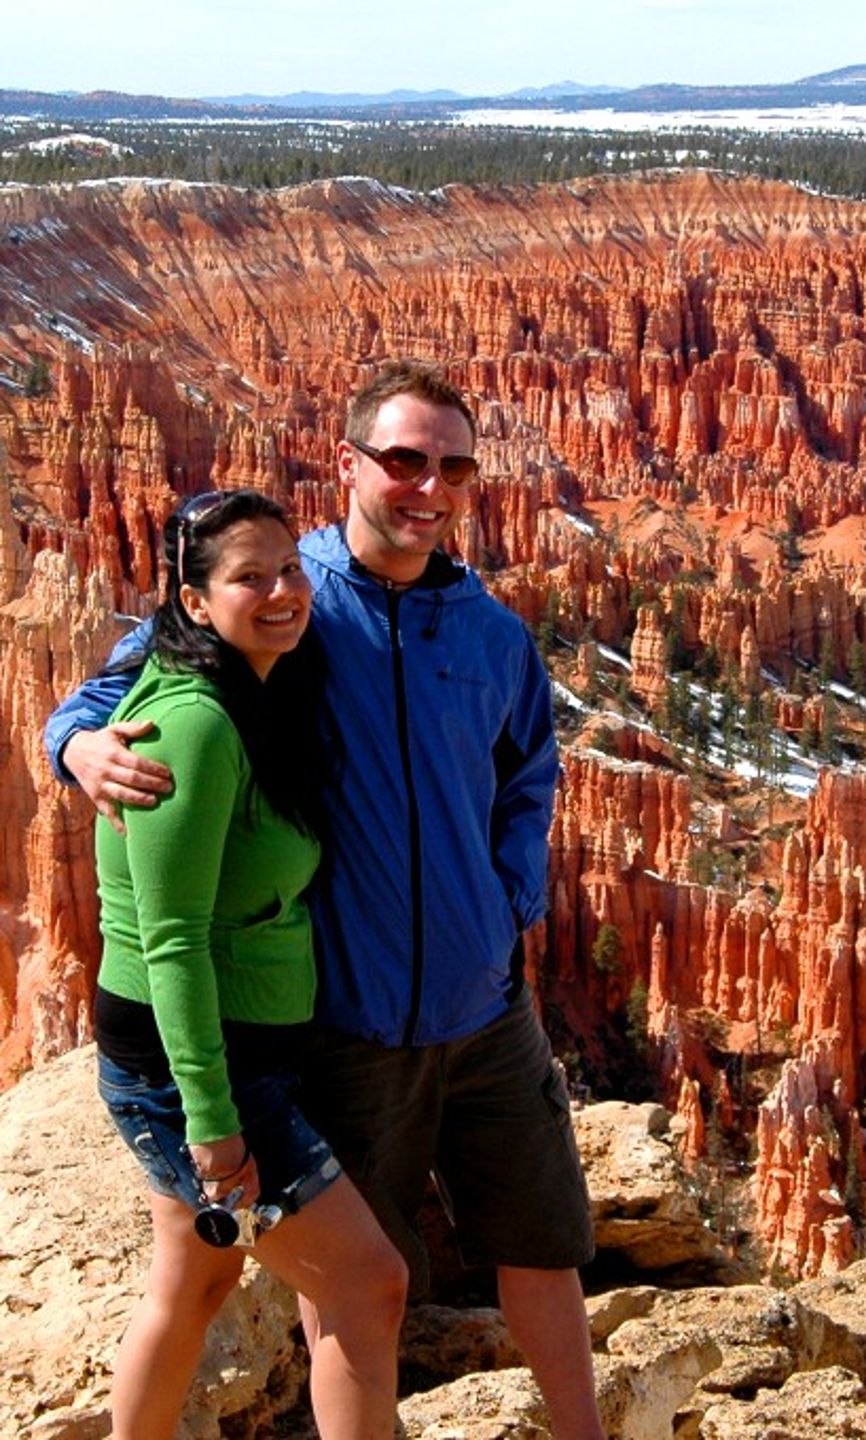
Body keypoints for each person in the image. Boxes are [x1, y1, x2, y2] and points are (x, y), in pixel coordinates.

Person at [48, 364, 604, 1440]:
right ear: (348, 464)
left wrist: (507, 904)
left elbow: (529, 776)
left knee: (544, 1244)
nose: (429, 487)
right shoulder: (286, 596)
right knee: (354, 1289)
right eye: (404, 460)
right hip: (347, 1025)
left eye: (454, 467)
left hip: (487, 1007)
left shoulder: (490, 634)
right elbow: (132, 679)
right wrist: (73, 741)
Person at [89, 488, 407, 1439]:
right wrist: (215, 1125)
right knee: (368, 1283)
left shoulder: (252, 693)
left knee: (193, 1283)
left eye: (290, 569)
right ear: (194, 602)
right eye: (248, 577)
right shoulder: (192, 725)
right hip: (197, 1063)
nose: (281, 592)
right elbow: (171, 938)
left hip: (236, 1047)